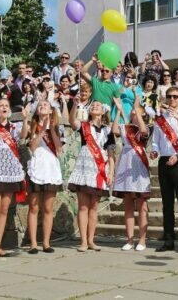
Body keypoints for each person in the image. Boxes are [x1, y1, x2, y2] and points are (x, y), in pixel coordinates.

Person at [150, 87, 178, 253]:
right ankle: (168, 240)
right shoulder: (159, 118)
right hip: (163, 160)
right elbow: (156, 140)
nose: (172, 100)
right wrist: (154, 150)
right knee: (166, 203)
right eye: (169, 97)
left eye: (175, 97)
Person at [0, 96, 27, 259]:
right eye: (0, 105)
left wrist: (25, 119)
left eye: (6, 105)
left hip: (10, 171)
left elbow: (22, 136)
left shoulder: (15, 127)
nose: (3, 107)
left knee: (4, 210)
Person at [68, 100, 114, 252]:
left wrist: (111, 172)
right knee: (83, 206)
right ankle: (83, 241)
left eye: (98, 106)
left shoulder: (108, 130)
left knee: (94, 207)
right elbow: (72, 121)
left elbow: (111, 154)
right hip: (84, 168)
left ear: (103, 111)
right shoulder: (84, 126)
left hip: (100, 169)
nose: (95, 107)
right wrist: (75, 104)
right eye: (93, 106)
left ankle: (91, 240)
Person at [25, 99, 64, 253]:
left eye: (45, 105)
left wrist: (51, 128)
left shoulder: (56, 127)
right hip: (37, 166)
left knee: (48, 207)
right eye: (40, 105)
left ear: (50, 110)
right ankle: (33, 243)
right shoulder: (32, 126)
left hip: (51, 167)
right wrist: (41, 131)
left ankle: (46, 243)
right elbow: (32, 147)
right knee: (33, 206)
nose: (42, 107)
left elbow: (59, 147)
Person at [112, 100, 151, 251]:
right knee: (128, 205)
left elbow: (143, 130)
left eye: (137, 111)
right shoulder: (125, 127)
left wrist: (137, 110)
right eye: (133, 111)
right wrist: (119, 110)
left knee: (142, 206)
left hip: (138, 165)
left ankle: (142, 239)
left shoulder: (145, 127)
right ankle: (129, 239)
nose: (134, 112)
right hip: (125, 163)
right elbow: (115, 130)